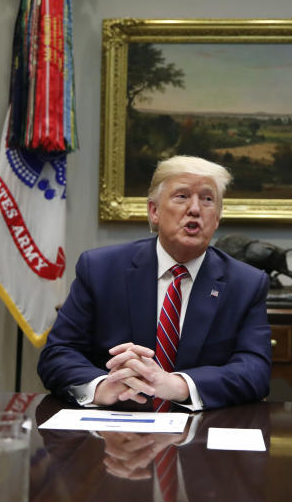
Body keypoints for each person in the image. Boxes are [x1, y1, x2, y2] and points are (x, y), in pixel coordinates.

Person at [37, 155, 272, 410]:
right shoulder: (101, 269)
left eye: (207, 199)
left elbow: (255, 370)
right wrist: (102, 386)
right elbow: (57, 354)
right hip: (115, 431)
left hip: (198, 435)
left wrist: (180, 385)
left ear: (217, 218)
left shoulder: (246, 284)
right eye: (181, 196)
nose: (195, 209)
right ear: (154, 211)